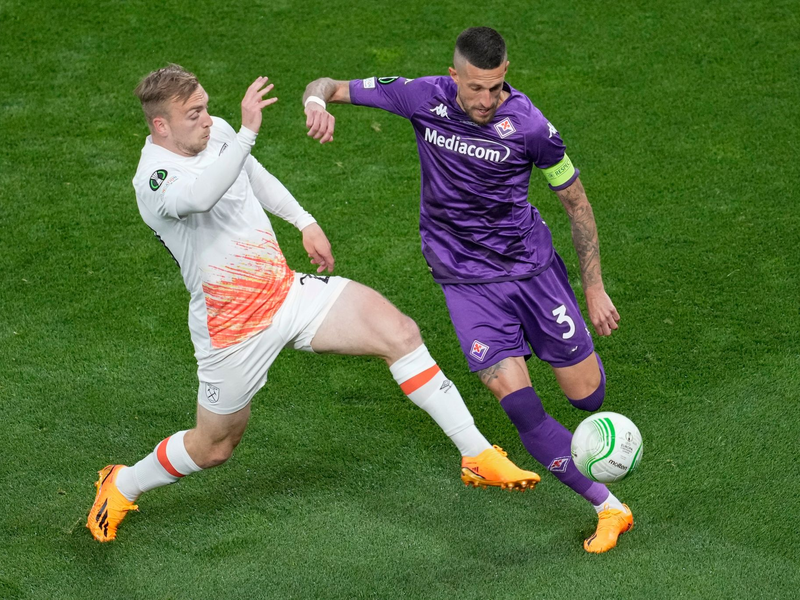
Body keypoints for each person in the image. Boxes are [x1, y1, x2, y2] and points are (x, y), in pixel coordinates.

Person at [86, 64, 539, 542]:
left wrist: (304, 220)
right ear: (161, 125)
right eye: (194, 113)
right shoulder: (154, 179)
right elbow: (200, 196)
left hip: (286, 292)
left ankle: (476, 455)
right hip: (233, 328)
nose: (207, 119)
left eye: (206, 107)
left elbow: (251, 174)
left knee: (399, 332)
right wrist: (246, 132)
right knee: (214, 447)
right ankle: (122, 482)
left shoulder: (216, 132)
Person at [302, 27, 633, 553]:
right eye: (476, 88)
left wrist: (593, 287)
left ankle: (589, 420)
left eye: (496, 87)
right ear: (453, 75)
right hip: (465, 282)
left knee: (587, 396)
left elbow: (577, 203)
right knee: (519, 407)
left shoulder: (530, 126)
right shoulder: (419, 96)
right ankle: (608, 506)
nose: (486, 100)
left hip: (533, 272)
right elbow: (327, 84)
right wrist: (316, 102)